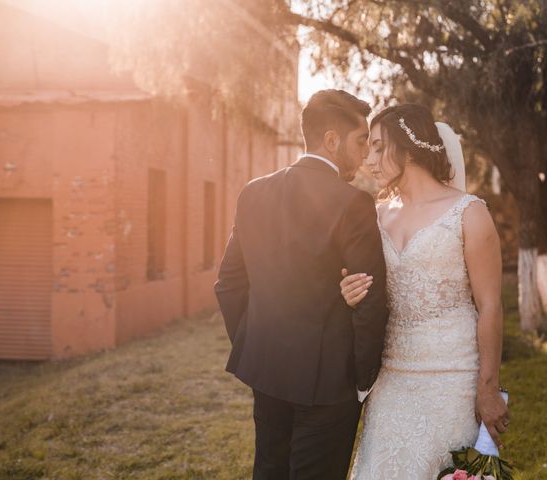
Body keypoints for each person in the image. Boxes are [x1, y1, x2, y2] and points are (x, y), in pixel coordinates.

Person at [214, 89, 390, 480]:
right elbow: (369, 302)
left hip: (266, 372)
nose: (365, 154)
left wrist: (255, 345)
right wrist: (362, 380)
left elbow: (228, 284)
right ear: (331, 141)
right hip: (330, 386)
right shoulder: (354, 204)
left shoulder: (253, 192)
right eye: (361, 141)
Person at [341, 104, 509, 479]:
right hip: (392, 379)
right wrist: (350, 291)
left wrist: (488, 388)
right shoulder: (375, 215)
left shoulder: (469, 213)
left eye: (380, 147)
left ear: (411, 147)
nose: (370, 159)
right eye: (369, 148)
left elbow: (491, 307)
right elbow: (369, 289)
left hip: (453, 380)